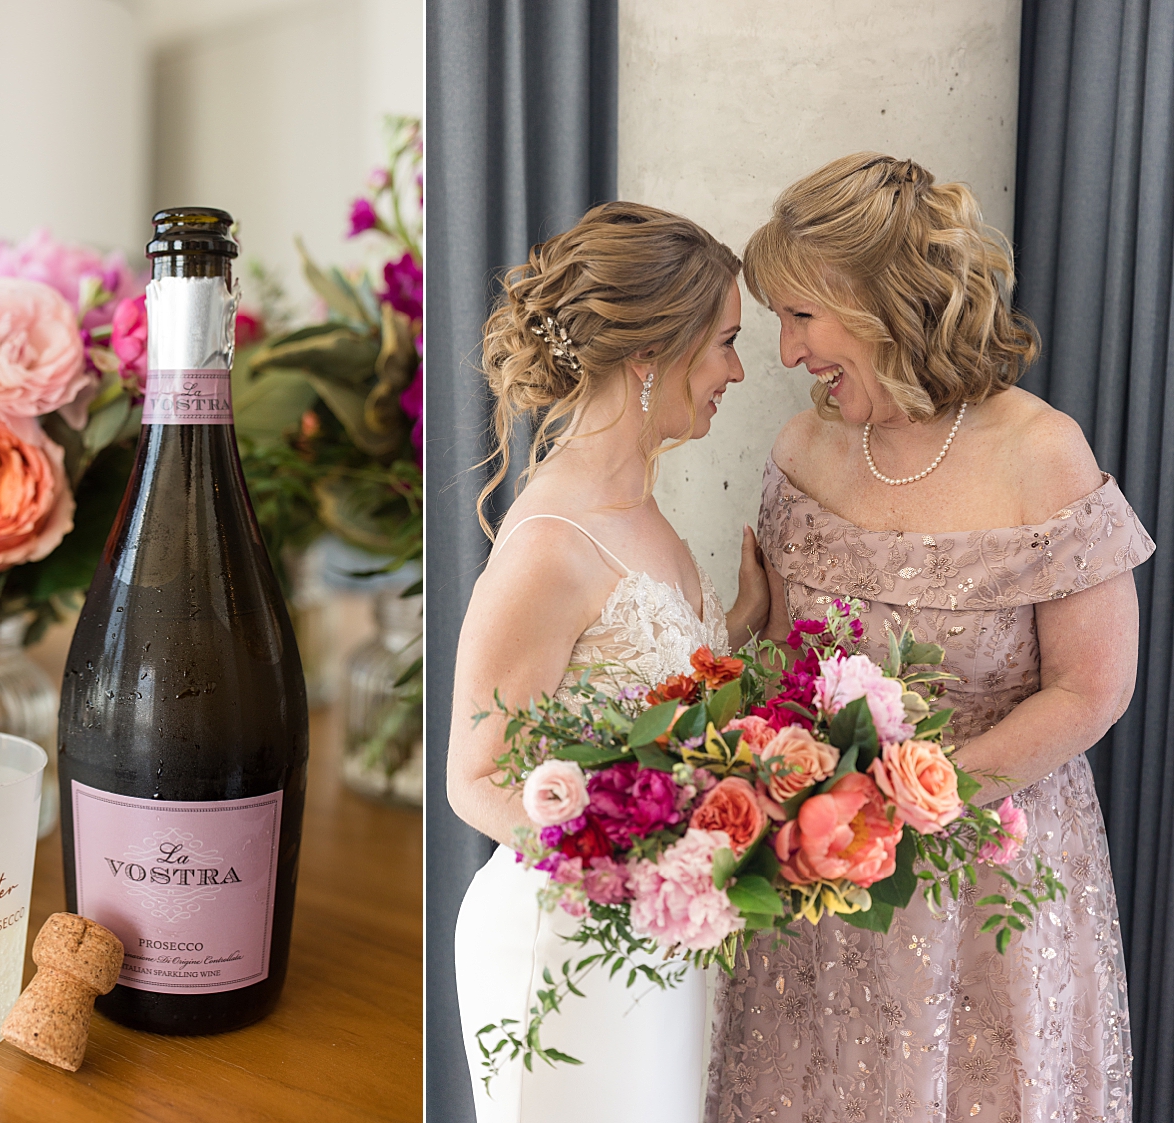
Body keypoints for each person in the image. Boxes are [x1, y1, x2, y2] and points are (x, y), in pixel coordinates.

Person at [704, 153, 1154, 1123]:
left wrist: (908, 810)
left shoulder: (1043, 454)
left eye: (800, 316)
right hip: (826, 890)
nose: (786, 355)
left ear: (874, 298)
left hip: (993, 886)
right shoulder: (802, 450)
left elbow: (1091, 689)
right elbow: (788, 672)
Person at [448, 201, 771, 1122]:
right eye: (724, 343)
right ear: (648, 355)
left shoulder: (642, 508)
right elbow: (474, 777)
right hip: (571, 946)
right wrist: (632, 876)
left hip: (654, 944)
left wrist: (737, 634)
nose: (737, 372)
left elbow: (636, 708)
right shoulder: (552, 541)